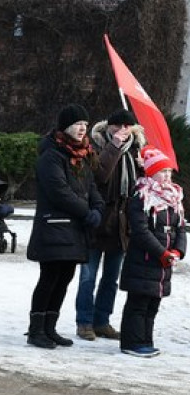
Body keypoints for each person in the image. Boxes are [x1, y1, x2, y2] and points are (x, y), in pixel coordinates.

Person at [25, 104, 104, 349]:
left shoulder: (83, 155)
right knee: (50, 277)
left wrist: (98, 208)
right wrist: (87, 212)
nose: (82, 129)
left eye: (85, 125)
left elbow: (91, 188)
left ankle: (50, 327)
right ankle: (36, 329)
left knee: (65, 278)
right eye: (78, 124)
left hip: (74, 231)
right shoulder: (52, 155)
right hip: (54, 227)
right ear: (65, 127)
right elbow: (59, 192)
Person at [74, 109, 145, 342]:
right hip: (98, 220)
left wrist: (143, 168)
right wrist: (113, 146)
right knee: (88, 276)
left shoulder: (134, 149)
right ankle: (84, 322)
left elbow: (139, 188)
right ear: (109, 126)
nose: (122, 130)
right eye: (118, 126)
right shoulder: (95, 145)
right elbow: (100, 175)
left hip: (122, 224)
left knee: (111, 278)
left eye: (127, 126)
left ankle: (102, 321)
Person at [118, 147, 185, 357]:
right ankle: (131, 342)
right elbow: (140, 231)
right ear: (151, 172)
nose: (167, 175)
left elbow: (180, 228)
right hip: (144, 260)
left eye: (168, 172)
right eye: (162, 171)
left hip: (163, 264)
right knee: (138, 303)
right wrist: (160, 253)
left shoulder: (174, 198)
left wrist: (178, 251)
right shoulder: (142, 197)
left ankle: (146, 338)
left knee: (152, 304)